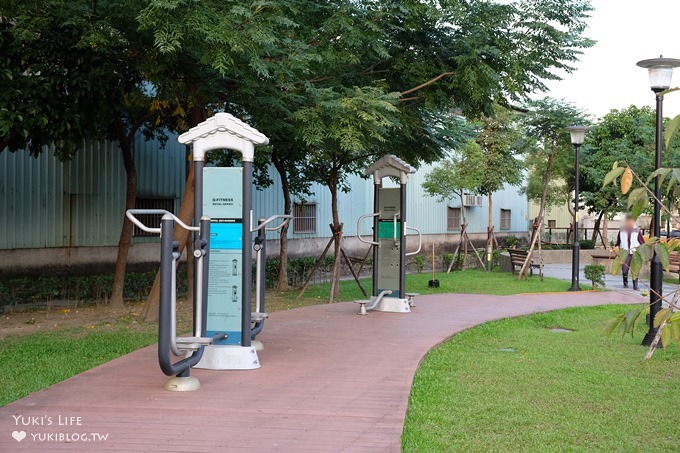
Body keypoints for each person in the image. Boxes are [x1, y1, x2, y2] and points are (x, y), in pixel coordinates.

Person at [615, 214, 645, 290]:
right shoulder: (622, 229)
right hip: (625, 252)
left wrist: (642, 250)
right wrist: (616, 247)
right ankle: (625, 283)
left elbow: (642, 241)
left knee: (635, 269)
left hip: (634, 252)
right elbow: (618, 240)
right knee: (624, 269)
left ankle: (635, 285)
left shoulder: (637, 230)